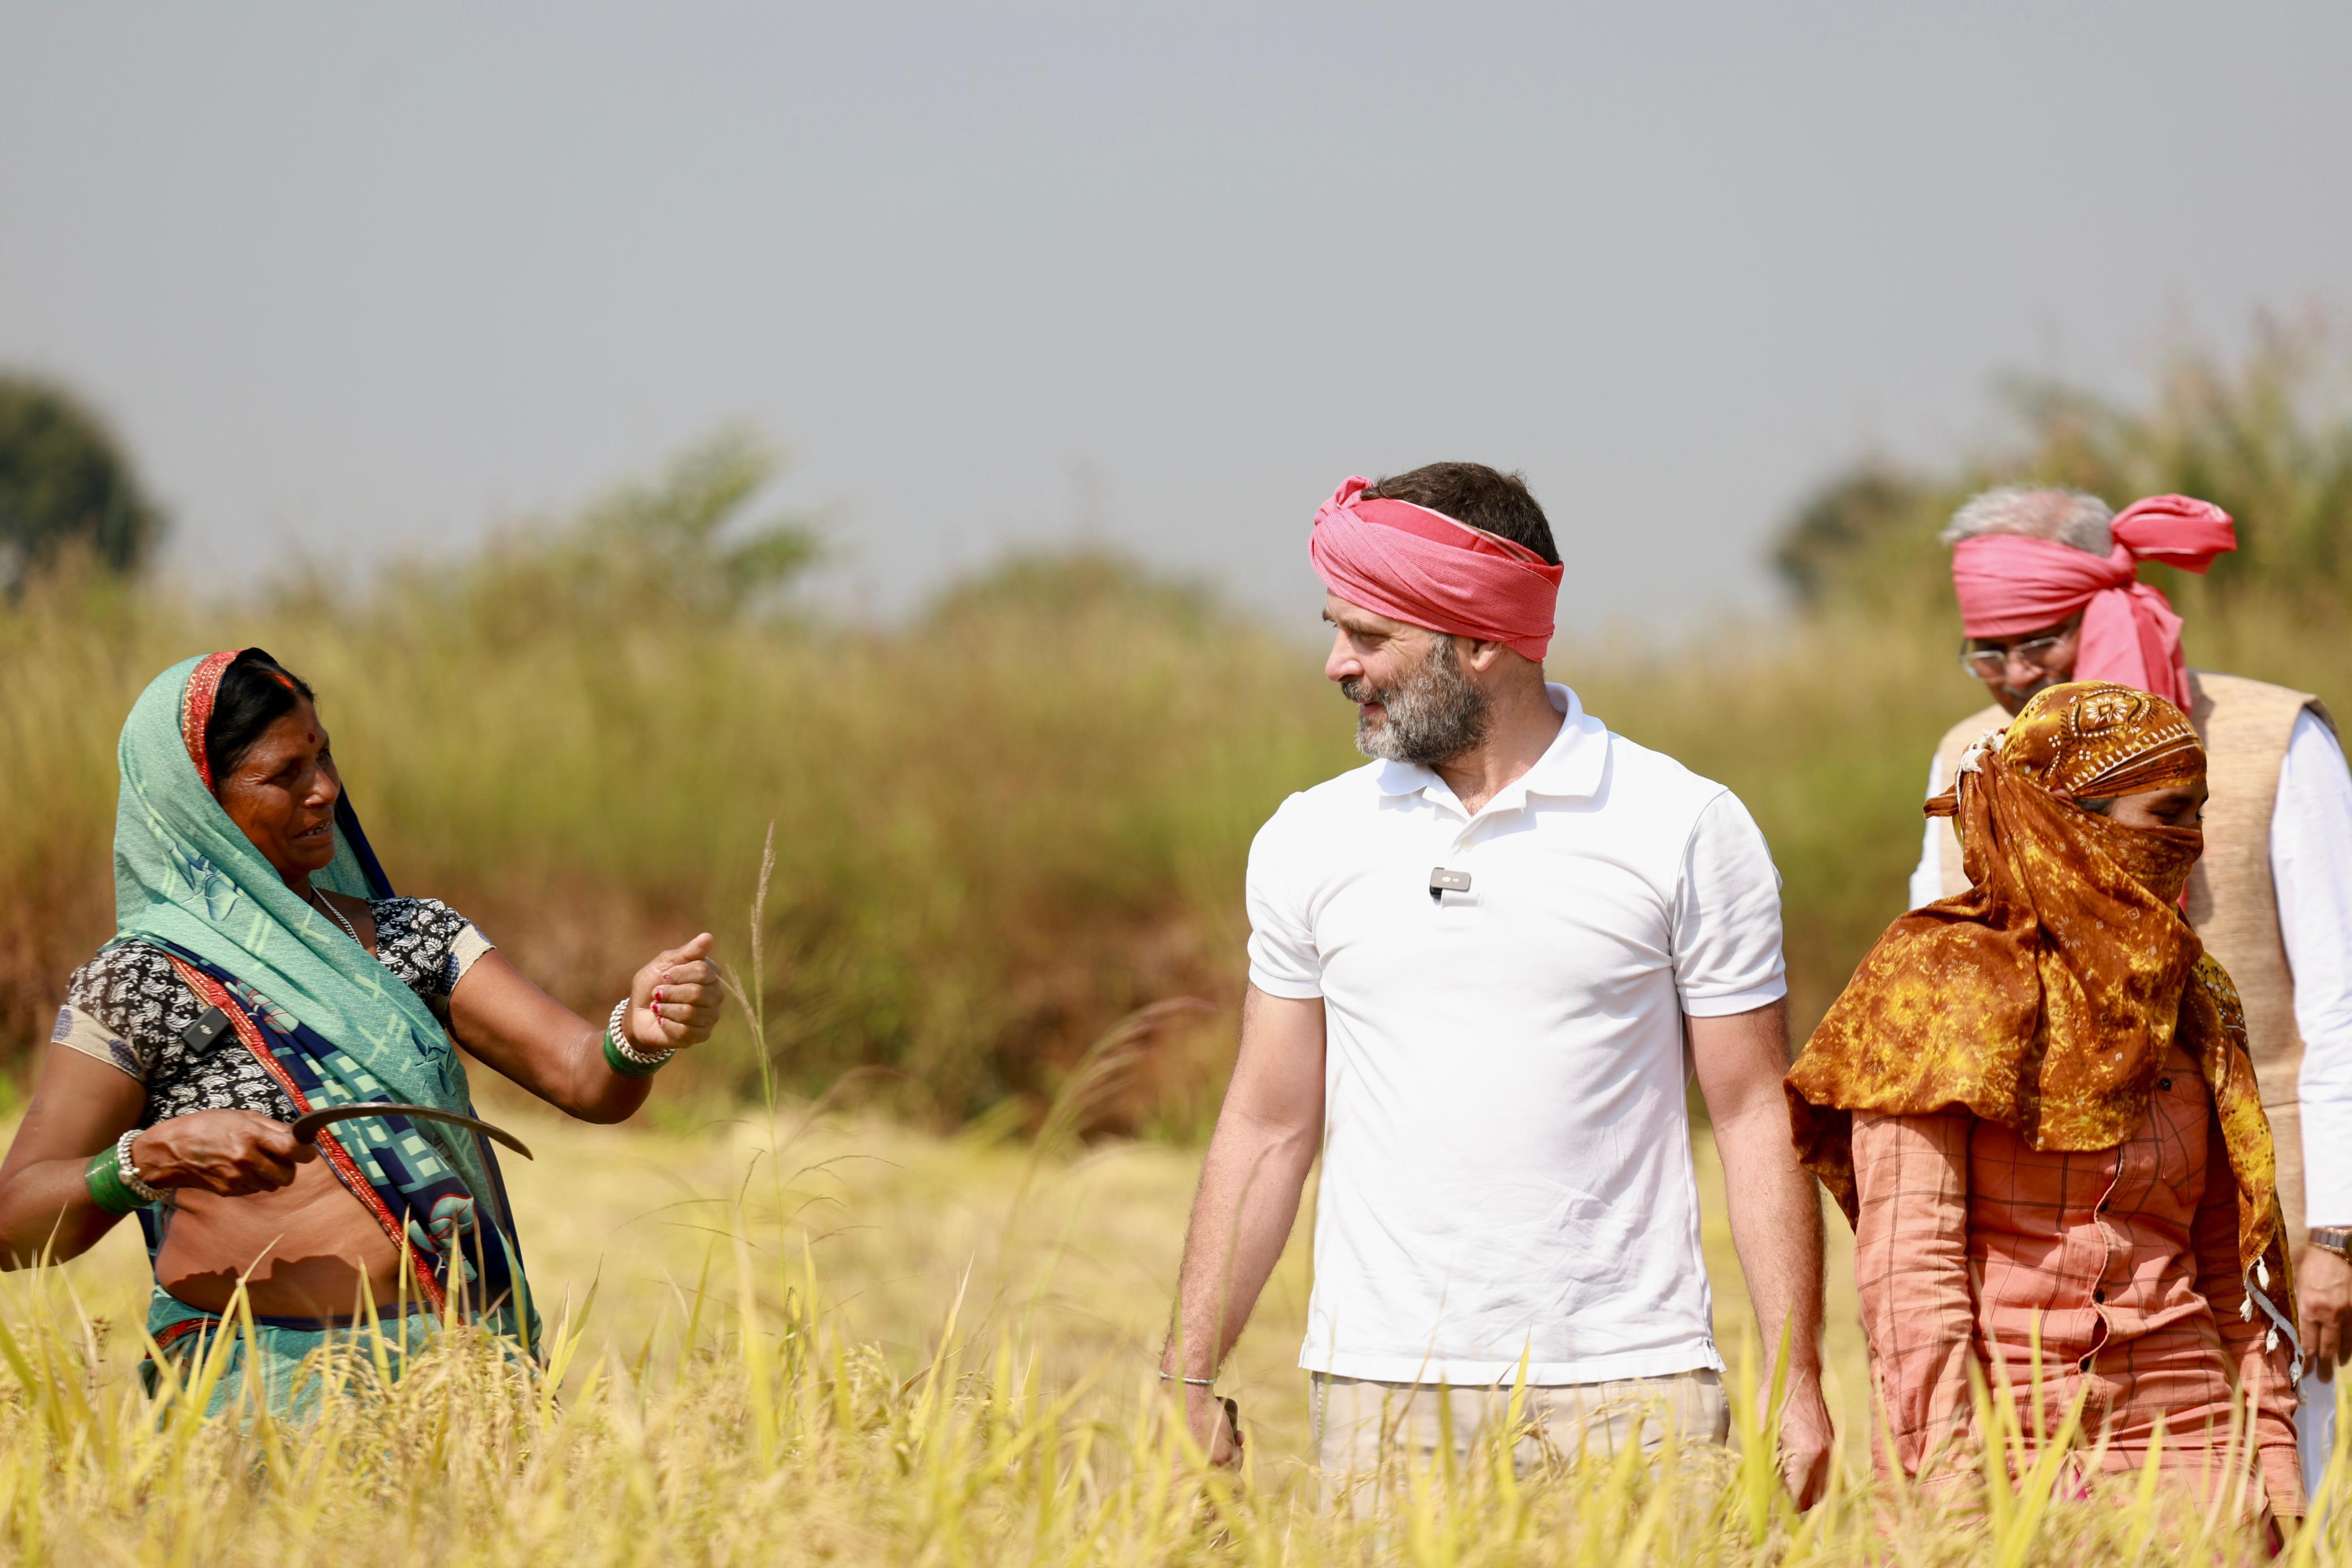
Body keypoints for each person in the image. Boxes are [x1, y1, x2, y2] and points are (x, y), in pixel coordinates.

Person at [1157, 465, 1834, 1504]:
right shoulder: (1308, 836)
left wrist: (1799, 1380)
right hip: (1382, 1400)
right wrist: (1188, 1370)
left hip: (1634, 1395)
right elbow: (1267, 1122)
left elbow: (1752, 1113)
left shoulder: (1686, 824)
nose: (1336, 663)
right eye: (1335, 628)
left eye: (1370, 637)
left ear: (1480, 641)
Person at [0, 648, 725, 1414]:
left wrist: (638, 1033)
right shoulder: (141, 982)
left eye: (325, 754)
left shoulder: (414, 940)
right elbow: (13, 1220)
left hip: (453, 1381)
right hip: (247, 1398)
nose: (325, 791)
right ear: (200, 804)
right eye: (285, 774)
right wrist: (150, 1156)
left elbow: (584, 1076)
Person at [1910, 487, 2352, 1490]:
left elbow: (2342, 1009)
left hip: (2261, 1219)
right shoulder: (1964, 758)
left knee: (2281, 1492)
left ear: (2106, 606)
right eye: (1989, 652)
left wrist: (2338, 1233)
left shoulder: (2273, 742)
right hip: (2049, 1243)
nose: (2016, 677)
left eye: (2041, 643)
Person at [1795, 679, 2302, 1523]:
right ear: (2069, 822)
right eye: (2169, 815)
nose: (2196, 842)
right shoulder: (1937, 986)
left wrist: (2276, 1467)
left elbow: (2232, 1266)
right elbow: (1910, 1270)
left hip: (2191, 1447)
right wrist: (1952, 1489)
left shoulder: (2195, 999)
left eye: (2201, 813)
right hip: (1997, 1442)